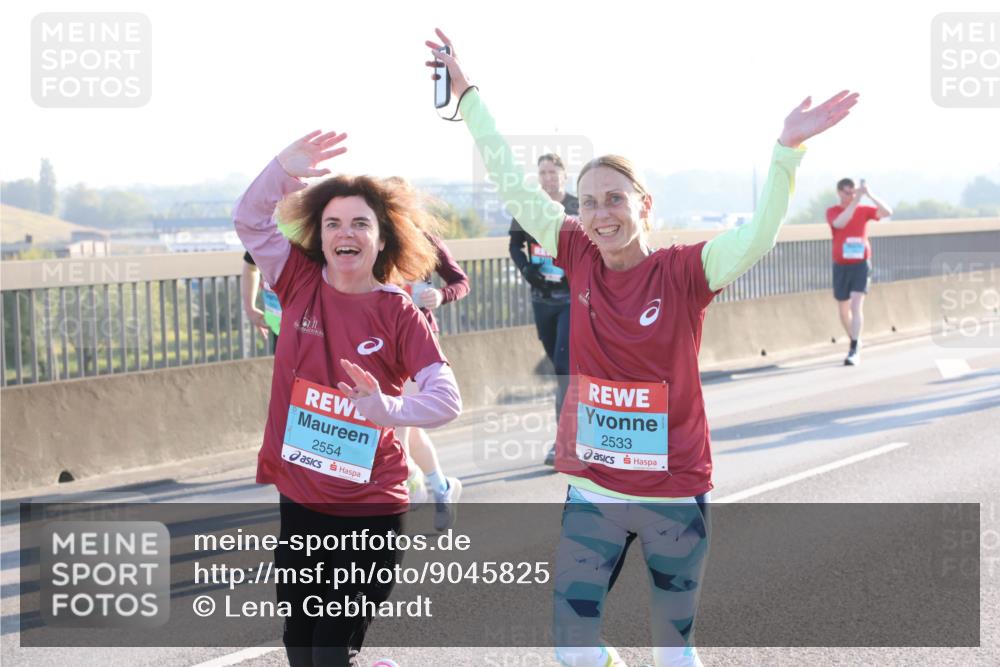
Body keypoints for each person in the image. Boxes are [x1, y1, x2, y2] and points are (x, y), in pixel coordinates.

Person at [426, 28, 857, 667]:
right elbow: (515, 186)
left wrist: (786, 149)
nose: (601, 214)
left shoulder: (685, 272)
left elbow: (761, 235)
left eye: (616, 200)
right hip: (594, 489)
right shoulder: (574, 250)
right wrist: (469, 96)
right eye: (590, 202)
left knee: (675, 654)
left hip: (672, 490)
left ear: (644, 206)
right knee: (573, 650)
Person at [233, 129, 462, 667]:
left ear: (382, 239)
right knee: (301, 646)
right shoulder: (296, 281)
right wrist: (280, 170)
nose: (346, 233)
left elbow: (445, 398)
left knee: (330, 652)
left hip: (370, 510)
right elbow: (250, 221)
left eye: (361, 223)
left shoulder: (398, 312)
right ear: (321, 236)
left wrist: (389, 409)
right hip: (302, 495)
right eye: (334, 223)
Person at [509, 153, 578, 467]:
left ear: (564, 175)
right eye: (543, 172)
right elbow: (514, 245)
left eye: (553, 172)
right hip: (542, 297)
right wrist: (526, 270)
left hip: (571, 298)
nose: (548, 177)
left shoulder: (578, 206)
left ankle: (562, 443)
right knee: (560, 368)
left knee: (564, 366)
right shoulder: (529, 206)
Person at [400, 231, 470, 530]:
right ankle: (440, 487)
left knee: (397, 425)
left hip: (418, 342)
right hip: (379, 341)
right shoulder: (372, 236)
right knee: (408, 429)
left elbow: (461, 282)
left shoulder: (425, 238)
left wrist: (440, 295)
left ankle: (410, 482)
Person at [825, 177, 893, 366]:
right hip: (841, 264)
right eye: (847, 193)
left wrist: (869, 194)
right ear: (839, 192)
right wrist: (855, 201)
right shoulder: (833, 211)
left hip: (860, 264)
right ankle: (855, 338)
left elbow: (887, 212)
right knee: (843, 312)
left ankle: (853, 348)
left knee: (856, 306)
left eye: (853, 193)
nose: (851, 196)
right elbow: (840, 223)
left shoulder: (864, 211)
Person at [242, 251, 280, 349]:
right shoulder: (266, 236)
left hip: (313, 329)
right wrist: (250, 308)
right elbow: (251, 265)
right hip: (280, 328)